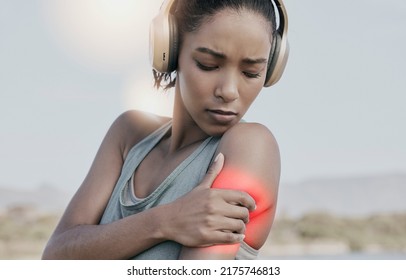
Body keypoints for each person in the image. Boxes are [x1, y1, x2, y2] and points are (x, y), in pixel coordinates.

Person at [42, 0, 289, 260]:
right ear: (169, 51)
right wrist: (165, 221)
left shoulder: (250, 145)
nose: (228, 91)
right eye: (208, 64)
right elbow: (54, 257)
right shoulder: (128, 135)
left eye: (251, 72)